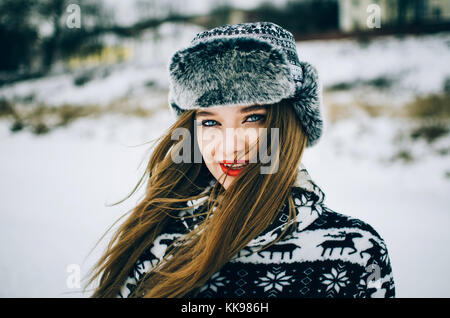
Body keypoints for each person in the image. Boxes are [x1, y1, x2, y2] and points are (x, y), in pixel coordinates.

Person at [86, 22, 395, 298]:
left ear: (289, 123)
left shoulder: (356, 254)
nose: (230, 147)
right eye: (210, 122)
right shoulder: (157, 246)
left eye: (253, 118)